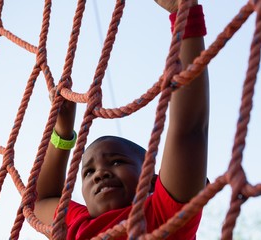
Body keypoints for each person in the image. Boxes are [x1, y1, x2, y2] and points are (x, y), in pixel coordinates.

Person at [34, 0, 209, 239]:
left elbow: (188, 130)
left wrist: (183, 14)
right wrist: (63, 134)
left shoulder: (161, 215)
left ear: (153, 182)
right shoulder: (80, 224)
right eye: (87, 172)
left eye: (117, 162)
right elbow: (40, 201)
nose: (100, 174)